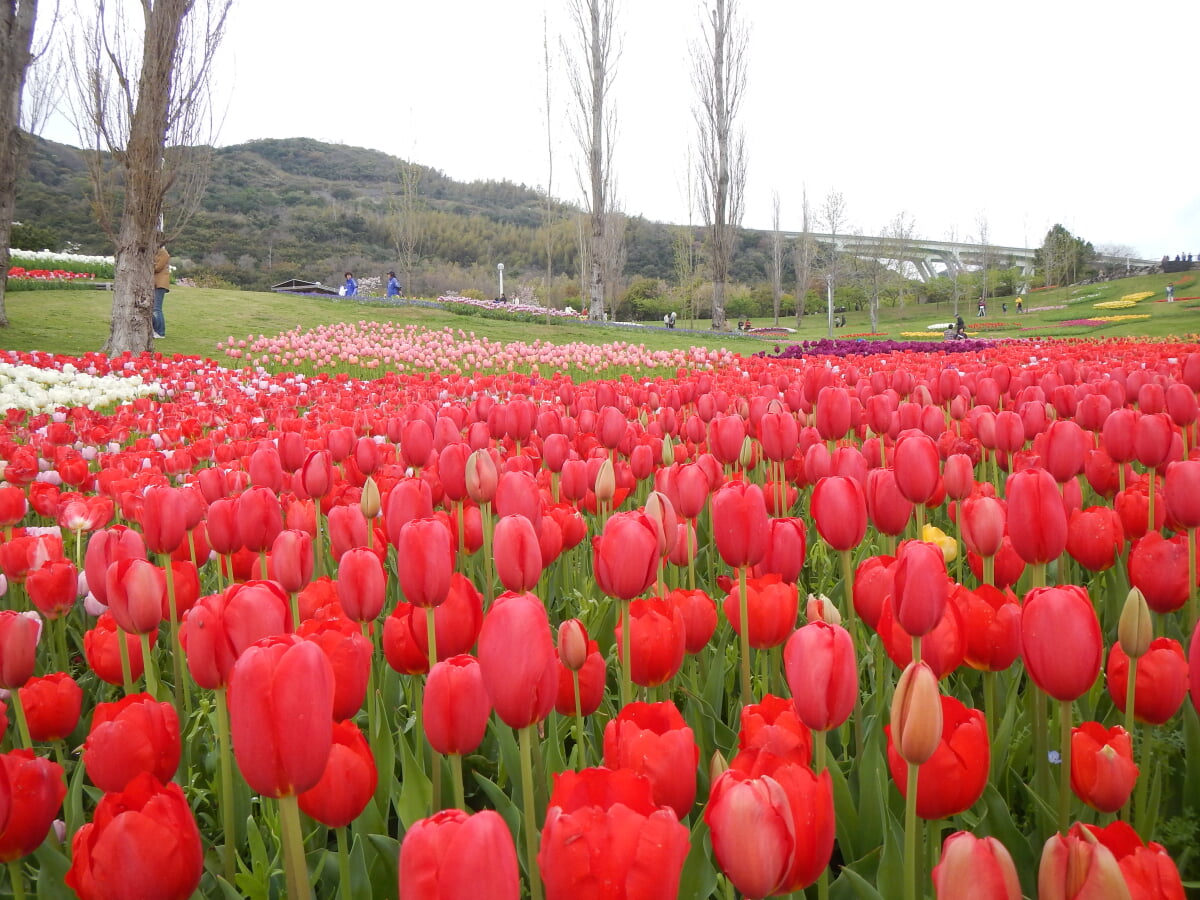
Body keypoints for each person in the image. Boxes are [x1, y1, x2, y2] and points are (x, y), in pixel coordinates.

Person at [152, 239, 170, 339]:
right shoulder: (157, 252)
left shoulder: (163, 253)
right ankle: (155, 330)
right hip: (156, 283)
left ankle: (160, 332)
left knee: (157, 308)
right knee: (153, 308)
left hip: (160, 284)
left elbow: (157, 267)